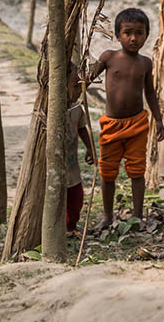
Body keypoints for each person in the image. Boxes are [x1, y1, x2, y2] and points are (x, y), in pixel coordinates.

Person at [91, 8, 164, 230]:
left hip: (137, 125)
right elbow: (87, 78)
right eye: (128, 33)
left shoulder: (145, 63)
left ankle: (137, 215)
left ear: (146, 35)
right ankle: (106, 215)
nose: (133, 38)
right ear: (117, 35)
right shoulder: (109, 58)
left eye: (139, 33)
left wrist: (158, 119)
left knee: (136, 171)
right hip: (111, 125)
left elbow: (150, 92)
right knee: (108, 172)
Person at [65, 64, 95, 235]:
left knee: (76, 198)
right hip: (56, 167)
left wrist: (90, 148)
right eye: (75, 86)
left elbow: (82, 128)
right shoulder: (51, 110)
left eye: (80, 87)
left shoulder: (76, 108)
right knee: (59, 199)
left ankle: (72, 226)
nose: (78, 92)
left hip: (72, 166)